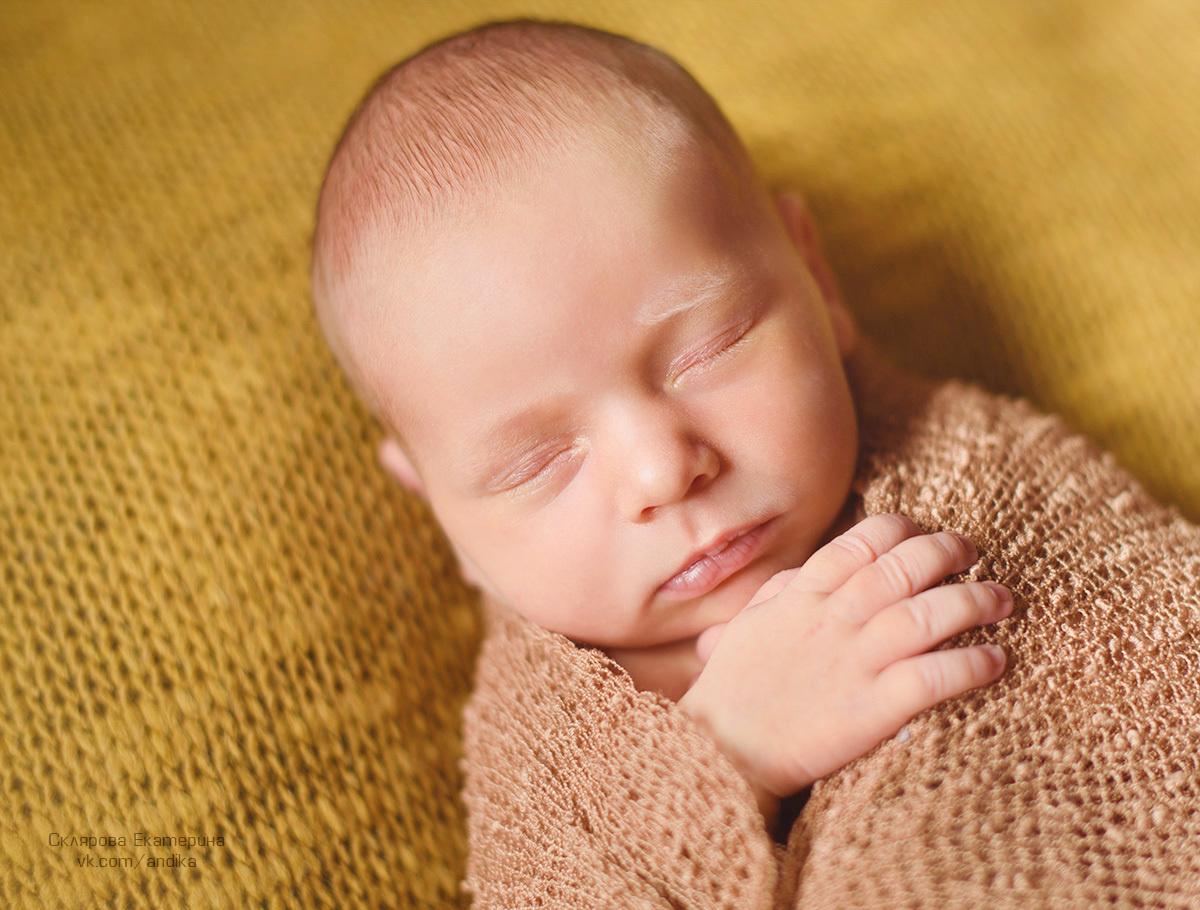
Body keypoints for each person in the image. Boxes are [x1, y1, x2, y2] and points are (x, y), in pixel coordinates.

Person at [311, 19, 1200, 908]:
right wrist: (725, 754)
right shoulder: (544, 748)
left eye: (710, 348)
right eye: (536, 463)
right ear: (441, 511)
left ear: (818, 278)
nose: (664, 471)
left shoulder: (980, 473)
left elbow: (1157, 630)